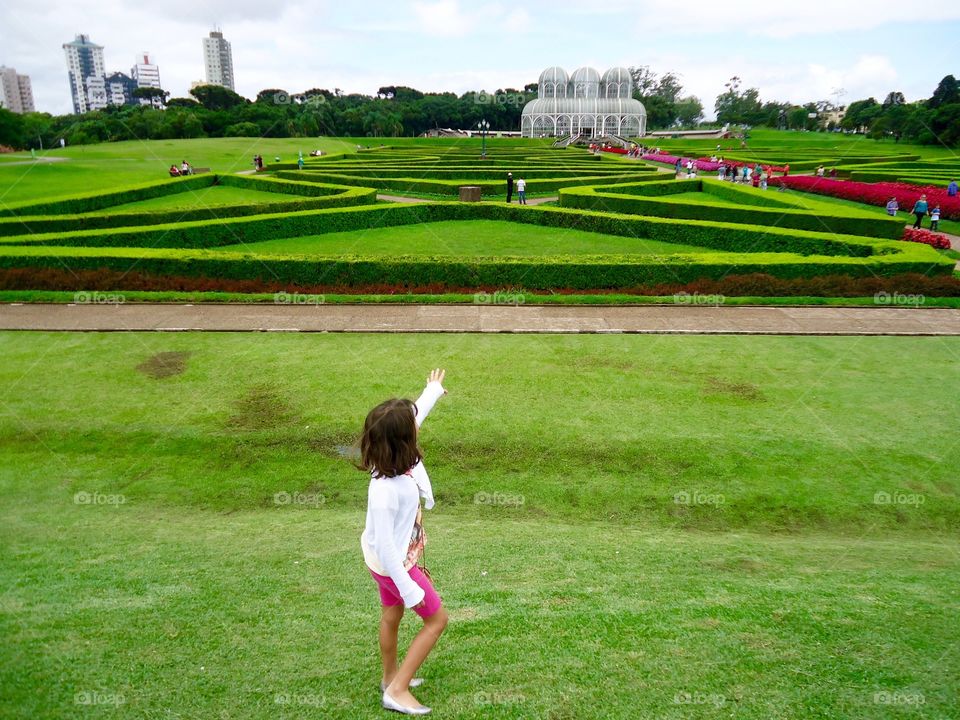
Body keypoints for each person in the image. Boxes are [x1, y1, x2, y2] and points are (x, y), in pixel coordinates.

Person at [360, 369, 450, 716]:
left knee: (391, 615)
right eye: (412, 429)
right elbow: (386, 547)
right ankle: (397, 691)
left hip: (386, 563)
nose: (418, 425)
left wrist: (432, 390)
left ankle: (389, 678)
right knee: (437, 619)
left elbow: (416, 416)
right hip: (397, 565)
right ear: (403, 442)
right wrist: (409, 589)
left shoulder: (391, 461)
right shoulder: (384, 491)